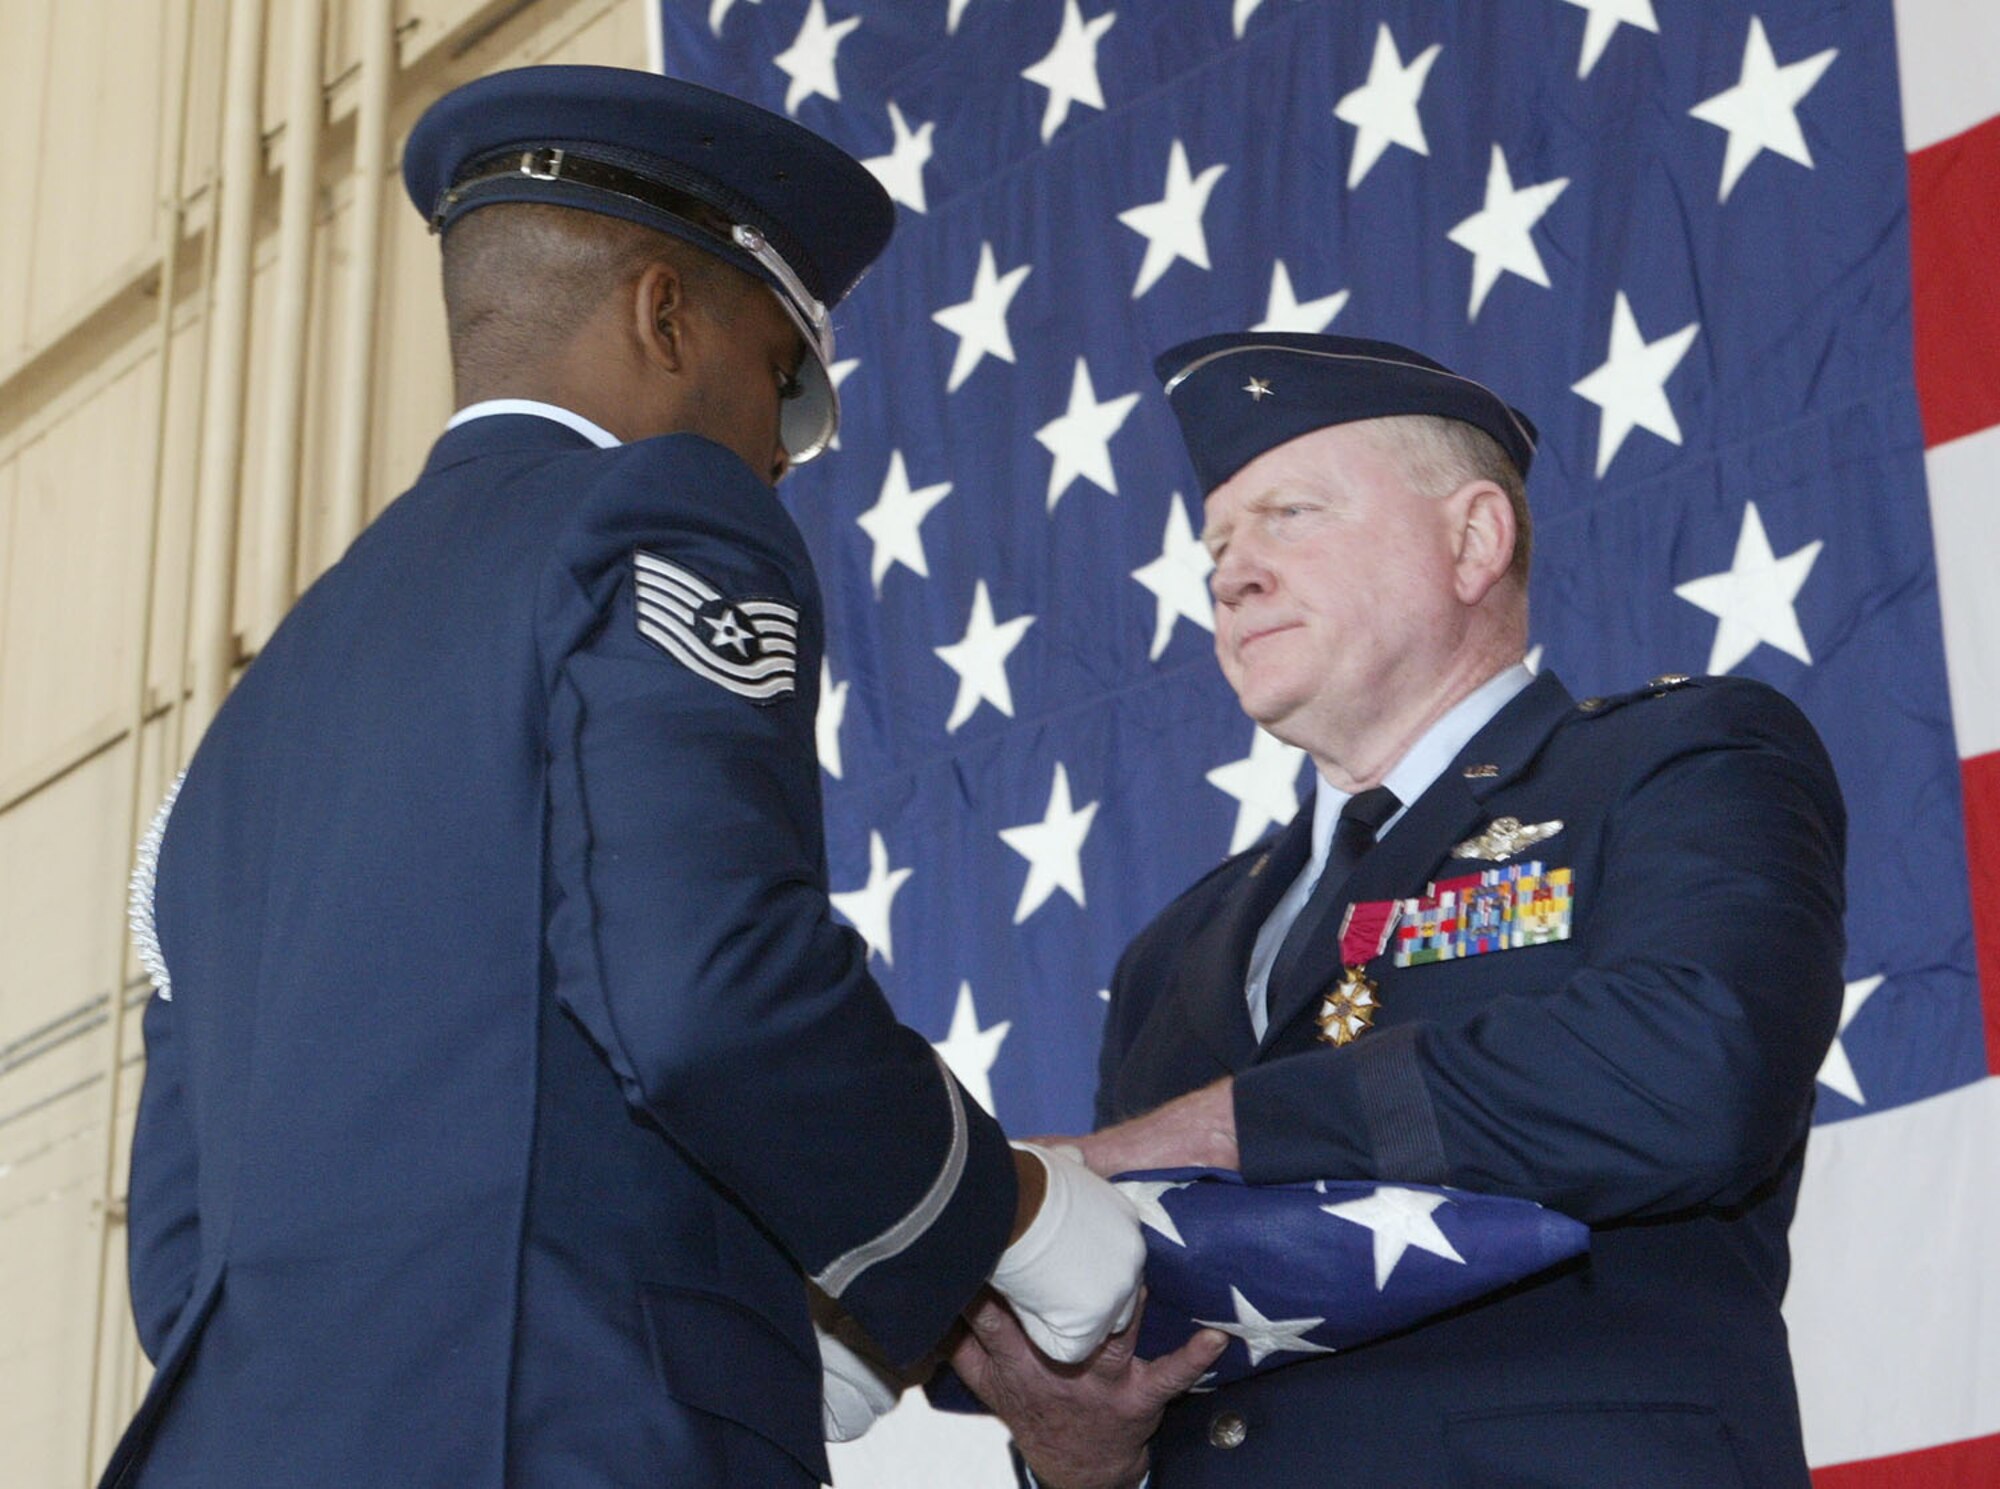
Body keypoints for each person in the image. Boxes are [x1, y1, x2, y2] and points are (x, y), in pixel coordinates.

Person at [105, 65, 1145, 1489]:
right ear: (668, 316)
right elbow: (701, 987)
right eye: (791, 389)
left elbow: (177, 1250)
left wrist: (759, 1297)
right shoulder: (662, 515)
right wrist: (1009, 1214)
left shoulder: (251, 719)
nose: (784, 458)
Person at [950, 332, 1846, 1488]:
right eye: (1217, 545)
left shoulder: (1673, 759)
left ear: (1473, 538)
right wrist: (1079, 1456)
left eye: (1290, 514)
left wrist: (1210, 1128)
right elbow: (1160, 1322)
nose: (1231, 574)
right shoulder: (1177, 948)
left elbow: (1694, 1070)